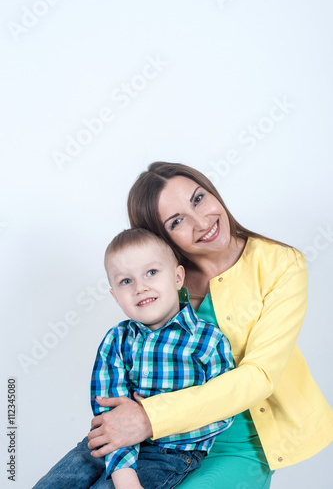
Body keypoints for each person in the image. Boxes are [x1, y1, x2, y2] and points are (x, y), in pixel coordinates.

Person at [86, 162, 333, 488]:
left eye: (199, 198)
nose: (202, 222)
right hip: (160, 444)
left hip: (241, 444)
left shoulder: (280, 264)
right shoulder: (161, 281)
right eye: (177, 221)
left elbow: (260, 376)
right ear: (161, 238)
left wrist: (149, 417)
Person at [33, 227, 235, 489]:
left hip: (171, 451)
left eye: (151, 272)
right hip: (108, 443)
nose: (141, 287)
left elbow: (222, 410)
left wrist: (158, 421)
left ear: (177, 277)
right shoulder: (116, 341)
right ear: (115, 296)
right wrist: (123, 473)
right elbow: (110, 411)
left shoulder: (208, 340)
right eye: (126, 281)